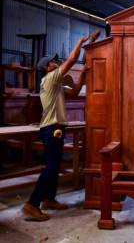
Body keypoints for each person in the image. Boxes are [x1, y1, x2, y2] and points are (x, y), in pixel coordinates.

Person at [22, 30, 101, 221]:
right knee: (50, 167)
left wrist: (83, 74)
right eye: (53, 61)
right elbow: (72, 61)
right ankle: (32, 204)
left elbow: (73, 92)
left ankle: (49, 199)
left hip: (55, 128)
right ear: (47, 67)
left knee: (54, 165)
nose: (56, 62)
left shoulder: (55, 85)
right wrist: (81, 41)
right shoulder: (49, 80)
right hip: (51, 128)